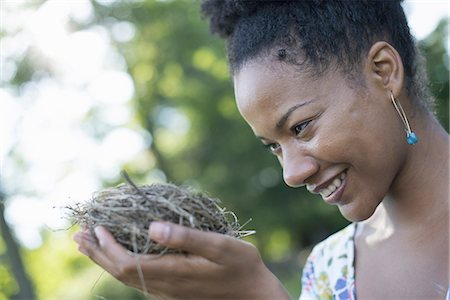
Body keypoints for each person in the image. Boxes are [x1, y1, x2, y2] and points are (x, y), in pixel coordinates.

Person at [74, 1, 450, 299]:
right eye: (273, 147)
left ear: (383, 72)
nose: (292, 173)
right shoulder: (328, 271)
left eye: (301, 127)